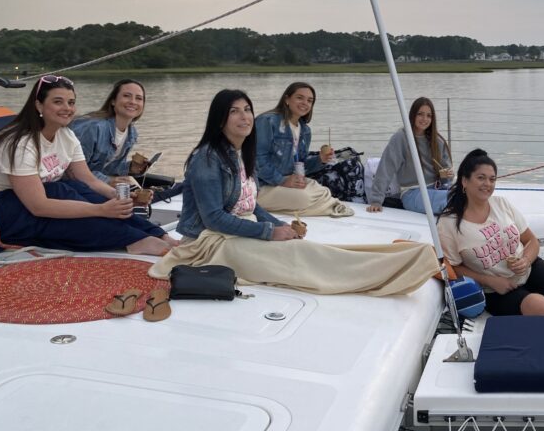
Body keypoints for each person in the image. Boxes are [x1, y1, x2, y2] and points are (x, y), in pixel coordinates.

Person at [149, 89, 436, 295]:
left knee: (303, 249)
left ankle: (400, 261)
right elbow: (213, 218)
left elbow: (250, 205)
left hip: (238, 230)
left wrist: (280, 226)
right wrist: (269, 232)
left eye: (247, 109)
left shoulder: (241, 153)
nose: (244, 116)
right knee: (299, 258)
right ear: (219, 119)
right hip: (209, 243)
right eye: (234, 111)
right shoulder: (207, 158)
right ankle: (389, 270)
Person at [0, 75, 176, 255]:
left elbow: (89, 180)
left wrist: (118, 197)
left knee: (78, 187)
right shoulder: (21, 143)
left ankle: (157, 234)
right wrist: (100, 210)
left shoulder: (66, 136)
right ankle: (134, 240)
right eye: (58, 102)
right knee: (60, 190)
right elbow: (38, 206)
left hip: (23, 206)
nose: (67, 108)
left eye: (71, 102)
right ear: (38, 105)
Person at [438, 148, 544, 316]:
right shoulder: (448, 223)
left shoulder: (501, 204)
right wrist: (490, 281)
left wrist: (526, 260)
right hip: (494, 290)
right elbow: (453, 267)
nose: (487, 184)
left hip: (529, 269)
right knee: (538, 306)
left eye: (492, 179)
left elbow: (531, 240)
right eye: (481, 178)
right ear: (464, 181)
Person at [253, 82, 351, 217]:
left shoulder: (305, 130)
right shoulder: (267, 121)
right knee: (304, 198)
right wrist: (282, 181)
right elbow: (257, 161)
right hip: (261, 185)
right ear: (287, 99)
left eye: (310, 100)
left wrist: (320, 160)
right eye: (300, 98)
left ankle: (314, 205)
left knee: (322, 190)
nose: (305, 103)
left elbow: (301, 166)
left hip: (287, 182)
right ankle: (324, 206)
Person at [367, 97, 452, 215]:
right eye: (420, 114)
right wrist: (376, 200)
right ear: (413, 115)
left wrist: (446, 176)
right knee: (452, 198)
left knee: (463, 194)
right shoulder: (401, 138)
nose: (425, 119)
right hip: (412, 193)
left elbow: (447, 176)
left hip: (437, 189)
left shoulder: (437, 141)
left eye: (429, 116)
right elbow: (386, 168)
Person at [69, 79, 151, 185]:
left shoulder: (131, 133)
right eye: (127, 96)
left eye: (139, 98)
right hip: (71, 184)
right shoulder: (93, 128)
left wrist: (131, 168)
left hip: (95, 183)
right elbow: (73, 170)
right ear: (113, 101)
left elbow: (108, 168)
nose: (133, 102)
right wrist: (109, 181)